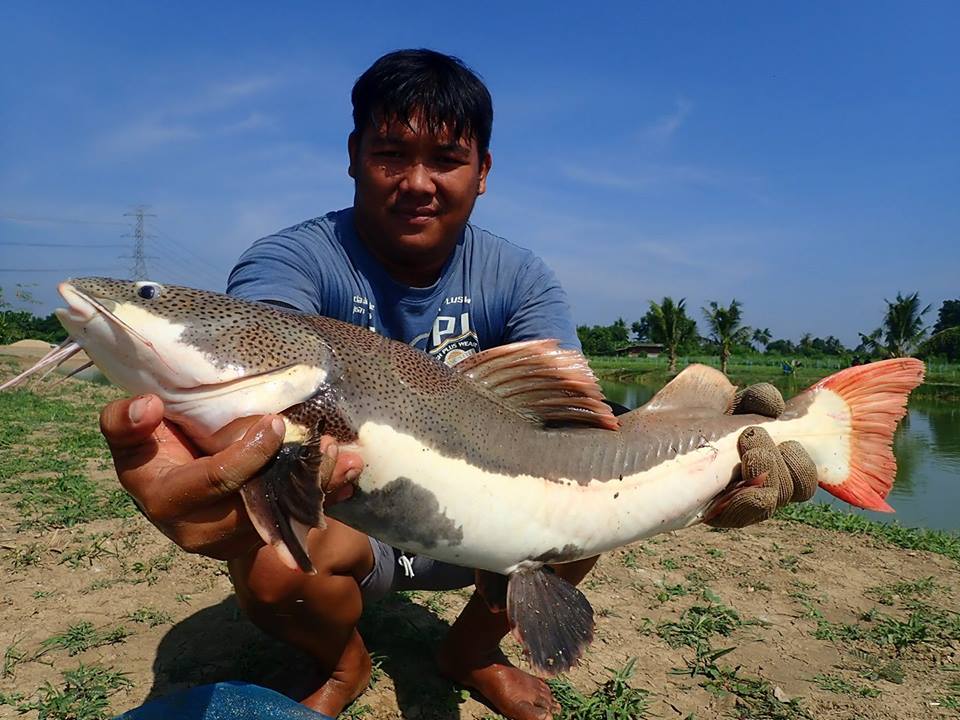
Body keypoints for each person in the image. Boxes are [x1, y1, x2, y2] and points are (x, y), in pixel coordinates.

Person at [99, 49, 813, 720]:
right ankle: (344, 665)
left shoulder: (521, 277)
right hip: (347, 516)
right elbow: (264, 338)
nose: (417, 182)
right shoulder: (291, 259)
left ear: (483, 170)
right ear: (353, 159)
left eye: (445, 160)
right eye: (389, 154)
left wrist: (705, 451)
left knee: (584, 515)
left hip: (500, 509)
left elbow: (576, 429)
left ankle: (469, 653)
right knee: (270, 564)